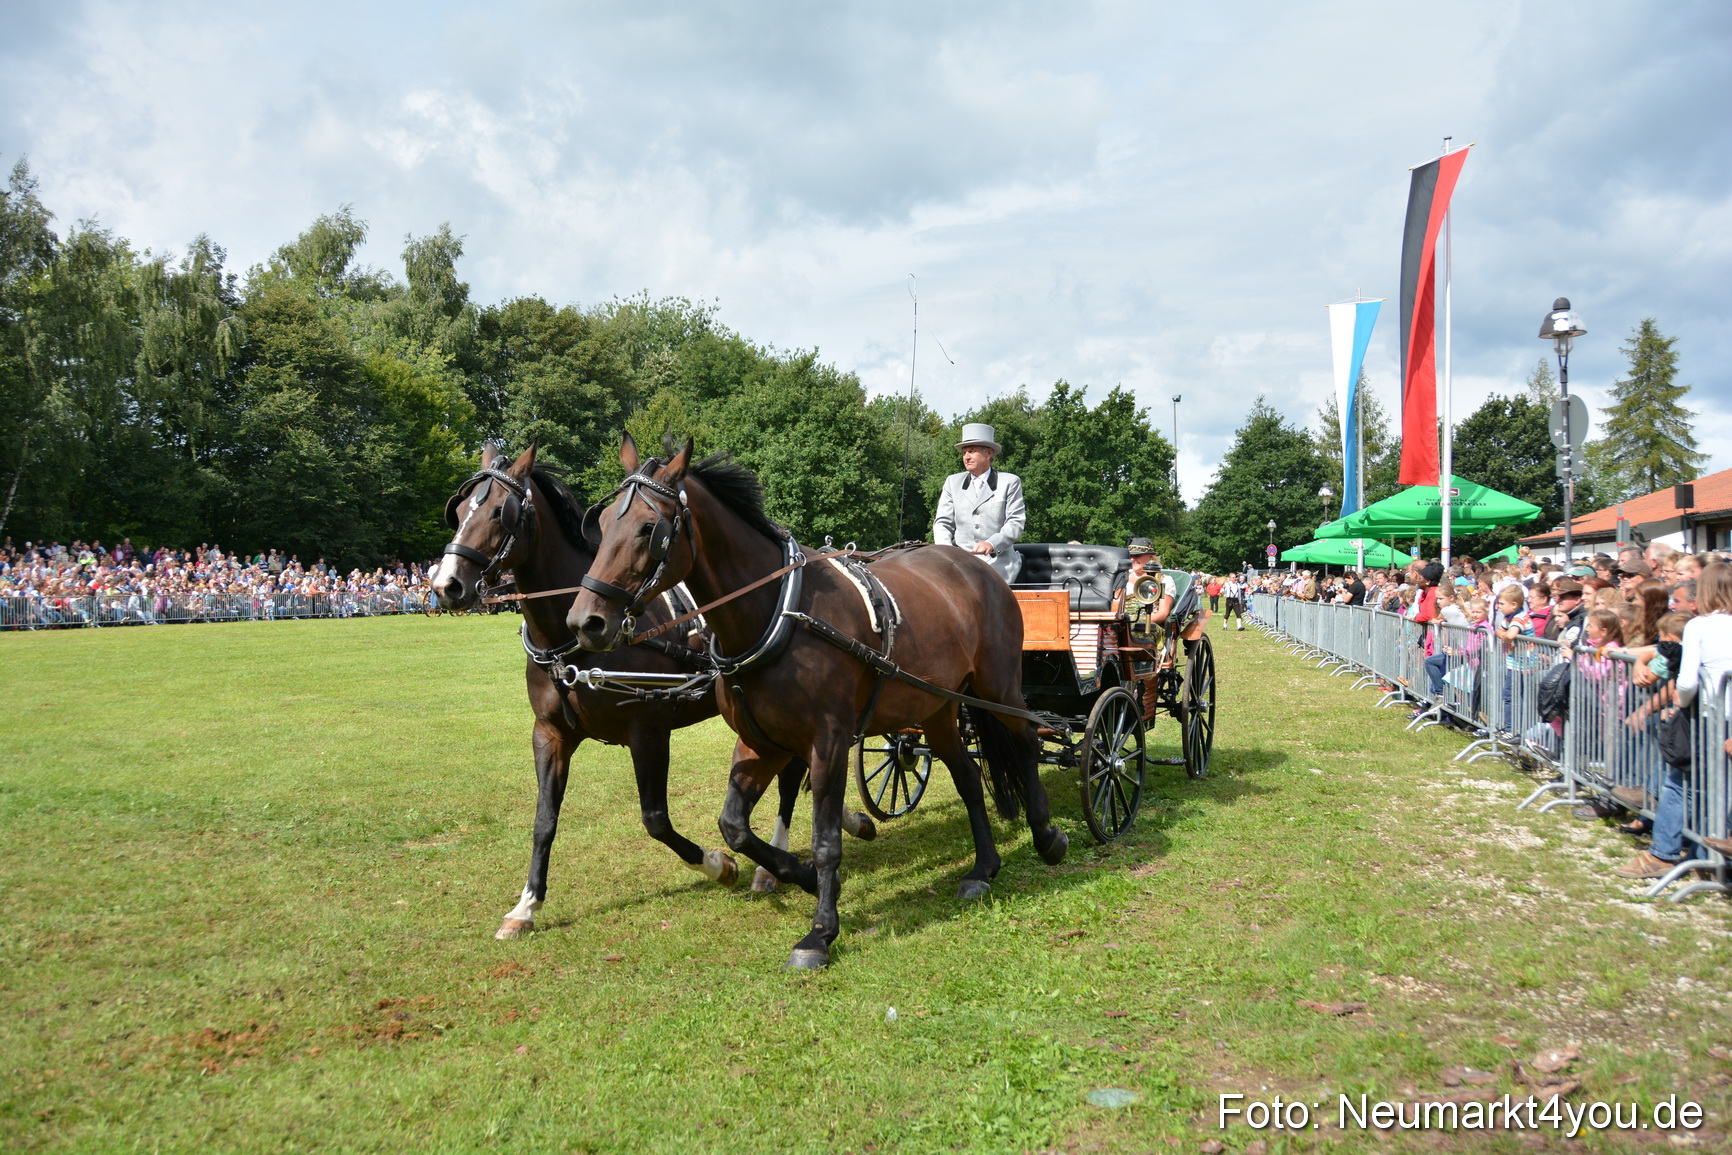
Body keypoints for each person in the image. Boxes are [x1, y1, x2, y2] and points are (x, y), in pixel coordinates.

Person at [933, 423, 1025, 583]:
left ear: (989, 453)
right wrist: (946, 552)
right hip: (960, 561)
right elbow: (942, 523)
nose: (966, 457)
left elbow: (1015, 523)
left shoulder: (1010, 482)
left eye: (972, 451)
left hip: (998, 562)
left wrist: (992, 543)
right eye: (964, 452)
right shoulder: (952, 482)